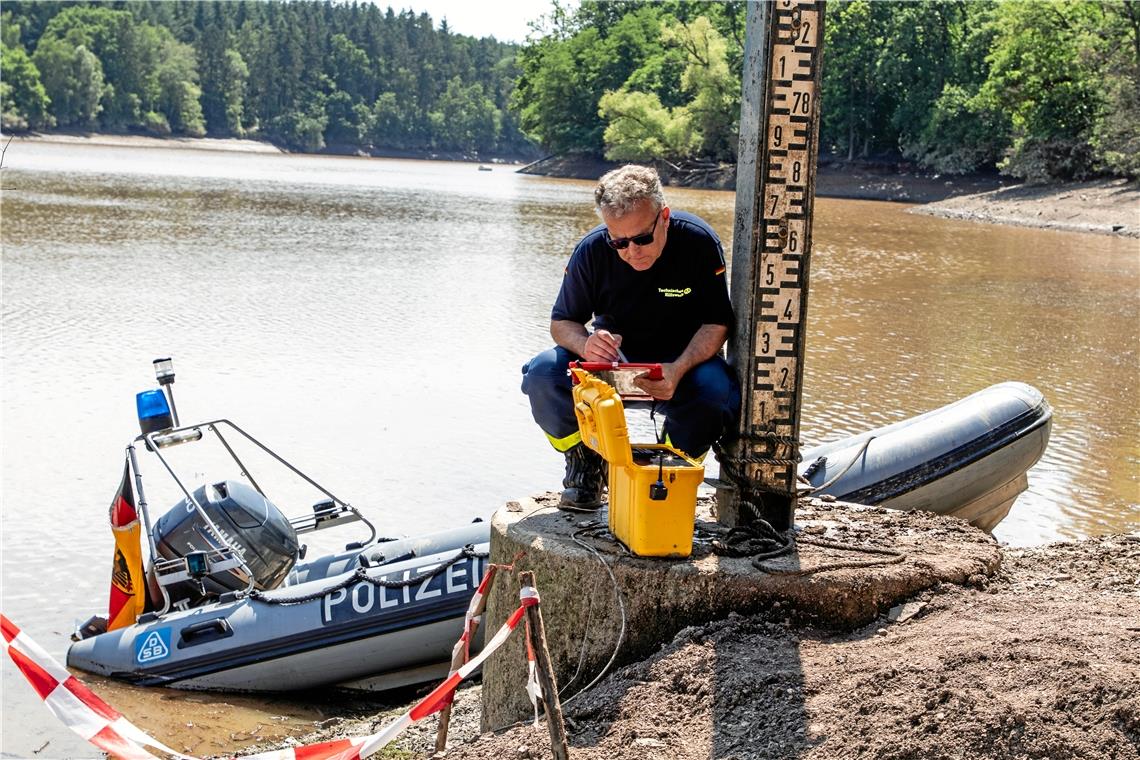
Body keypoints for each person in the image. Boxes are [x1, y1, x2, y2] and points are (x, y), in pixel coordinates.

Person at [521, 164, 741, 510]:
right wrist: (585, 344)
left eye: (642, 238)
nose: (631, 251)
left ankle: (667, 475)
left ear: (664, 217)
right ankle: (586, 466)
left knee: (717, 392)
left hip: (680, 368)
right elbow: (562, 322)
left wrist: (678, 368)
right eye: (619, 241)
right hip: (610, 368)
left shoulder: (699, 242)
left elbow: (717, 323)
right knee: (543, 373)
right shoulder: (592, 251)